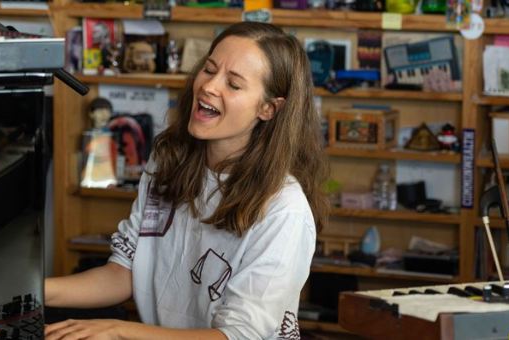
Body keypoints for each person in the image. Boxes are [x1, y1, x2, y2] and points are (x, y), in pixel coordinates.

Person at [45, 21, 328, 340]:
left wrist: (120, 331)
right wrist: (29, 292)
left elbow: (238, 335)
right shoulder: (169, 160)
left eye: (233, 85)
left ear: (268, 108)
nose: (208, 86)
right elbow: (125, 272)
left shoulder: (284, 210)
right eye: (209, 69)